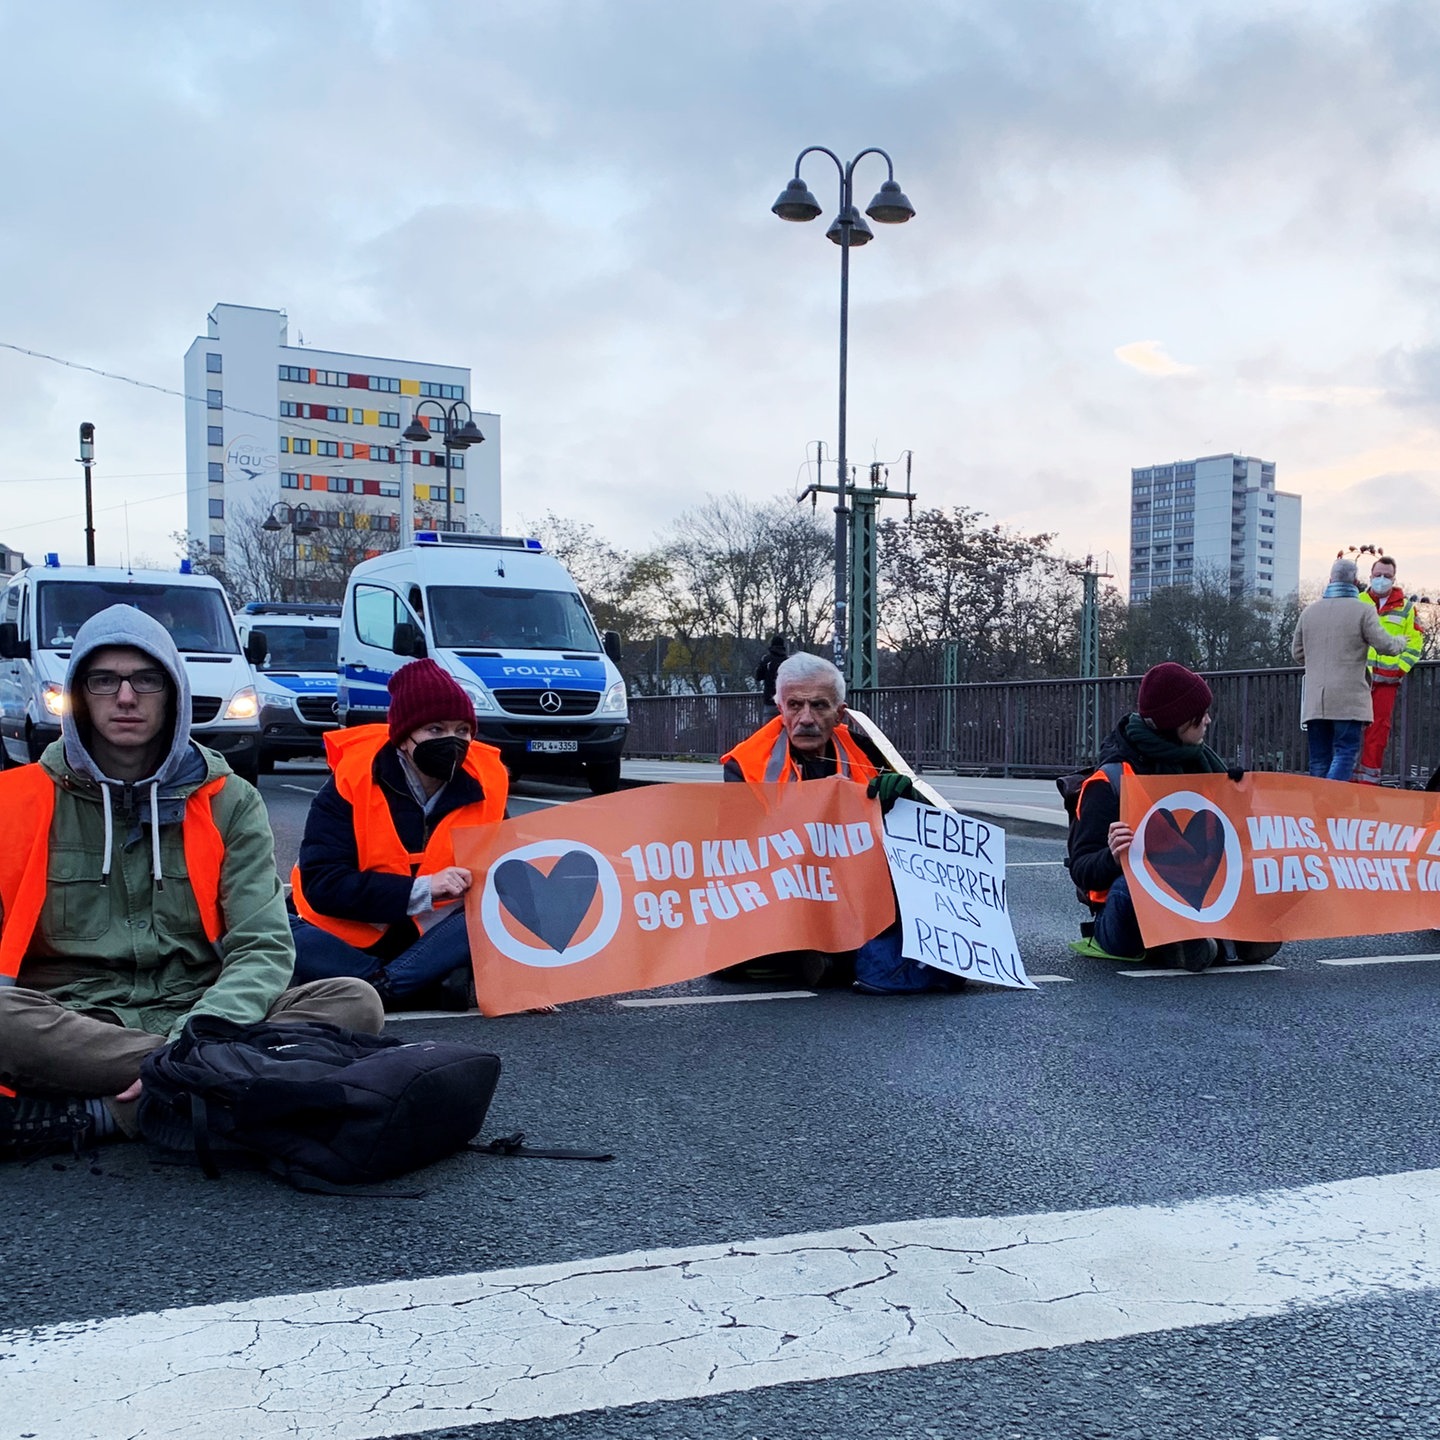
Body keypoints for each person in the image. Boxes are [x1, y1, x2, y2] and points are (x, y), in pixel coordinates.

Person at [0, 606, 382, 1161]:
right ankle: (212, 1086)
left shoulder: (231, 801)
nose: (125, 697)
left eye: (145, 679)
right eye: (104, 680)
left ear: (173, 692)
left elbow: (263, 946)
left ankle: (105, 1113)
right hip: (74, 1020)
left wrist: (195, 1036)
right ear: (80, 692)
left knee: (354, 1002)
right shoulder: (16, 800)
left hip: (208, 1012)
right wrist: (189, 1058)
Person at [719, 652, 959, 994]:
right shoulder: (747, 763)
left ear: (840, 713)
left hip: (856, 891)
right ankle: (821, 954)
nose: (805, 718)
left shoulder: (868, 751)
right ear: (780, 708)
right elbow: (738, 851)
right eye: (795, 705)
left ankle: (824, 956)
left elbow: (925, 834)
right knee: (734, 952)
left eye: (818, 706)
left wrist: (906, 800)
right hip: (786, 888)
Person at [289, 658, 509, 1011]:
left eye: (462, 730)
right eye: (435, 730)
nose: (452, 741)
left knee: (489, 914)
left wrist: (524, 981)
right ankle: (412, 983)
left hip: (435, 938)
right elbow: (323, 885)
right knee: (269, 926)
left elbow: (508, 884)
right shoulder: (351, 781)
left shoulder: (489, 782)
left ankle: (377, 988)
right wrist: (423, 889)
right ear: (403, 738)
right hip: (346, 932)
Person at [1067, 661, 1276, 973]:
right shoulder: (1109, 780)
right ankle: (1197, 941)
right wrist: (1113, 856)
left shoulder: (1205, 765)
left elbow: (1234, 845)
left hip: (1198, 891)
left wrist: (1239, 800)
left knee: (1259, 866)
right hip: (1123, 912)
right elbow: (1082, 870)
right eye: (1199, 715)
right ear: (1174, 721)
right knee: (1138, 882)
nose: (1207, 720)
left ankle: (1202, 939)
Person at [1292, 557, 1408, 783]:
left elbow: (1297, 654)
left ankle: (1318, 810)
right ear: (1356, 581)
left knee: (1318, 759)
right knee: (1345, 753)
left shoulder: (1309, 612)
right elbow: (1386, 645)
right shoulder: (1363, 610)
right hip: (1348, 699)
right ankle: (1331, 802)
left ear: (1330, 580)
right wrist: (1402, 641)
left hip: (1316, 701)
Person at [1354, 555, 1425, 785]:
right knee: (1349, 729)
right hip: (1357, 678)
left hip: (1387, 681)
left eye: (1387, 576)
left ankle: (1368, 783)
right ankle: (1346, 781)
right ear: (1370, 576)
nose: (1382, 579)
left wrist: (1399, 670)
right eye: (1378, 575)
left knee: (1378, 733)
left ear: (1394, 578)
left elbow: (1415, 644)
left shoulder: (1406, 608)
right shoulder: (1358, 601)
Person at [753, 635, 788, 706]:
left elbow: (758, 677)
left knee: (769, 716)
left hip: (770, 700)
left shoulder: (766, 659)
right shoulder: (788, 661)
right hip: (785, 701)